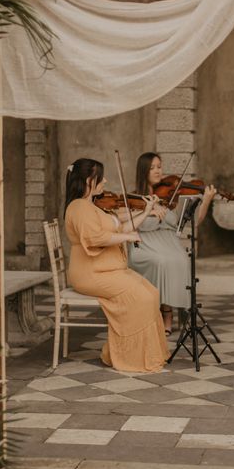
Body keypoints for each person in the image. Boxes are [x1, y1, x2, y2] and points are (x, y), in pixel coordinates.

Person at [64, 158, 169, 373]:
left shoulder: (93, 206)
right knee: (141, 298)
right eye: (99, 177)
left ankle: (127, 353)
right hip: (91, 273)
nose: (105, 181)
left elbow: (122, 227)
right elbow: (95, 238)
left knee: (151, 292)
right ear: (87, 180)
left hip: (108, 269)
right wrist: (127, 238)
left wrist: (146, 210)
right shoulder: (78, 207)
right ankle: (129, 357)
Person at [127, 152, 217, 335]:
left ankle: (178, 311)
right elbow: (126, 224)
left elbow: (194, 222)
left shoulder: (168, 198)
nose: (158, 171)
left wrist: (206, 200)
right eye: (152, 168)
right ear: (143, 171)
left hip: (169, 244)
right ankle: (163, 314)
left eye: (159, 166)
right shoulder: (134, 197)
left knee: (181, 260)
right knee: (162, 261)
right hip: (145, 245)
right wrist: (148, 211)